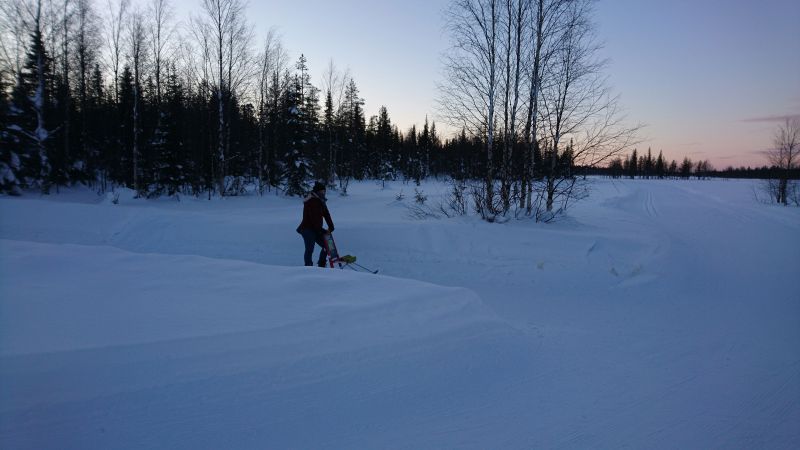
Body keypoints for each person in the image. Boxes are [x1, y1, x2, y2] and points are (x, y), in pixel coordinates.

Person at [296, 181, 335, 267]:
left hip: (316, 229)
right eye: (322, 192)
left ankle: (321, 264)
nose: (323, 193)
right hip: (307, 228)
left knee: (327, 245)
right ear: (317, 192)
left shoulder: (321, 201)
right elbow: (314, 218)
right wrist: (322, 231)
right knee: (310, 248)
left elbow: (326, 214)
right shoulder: (312, 201)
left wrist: (331, 226)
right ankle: (308, 267)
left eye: (324, 192)